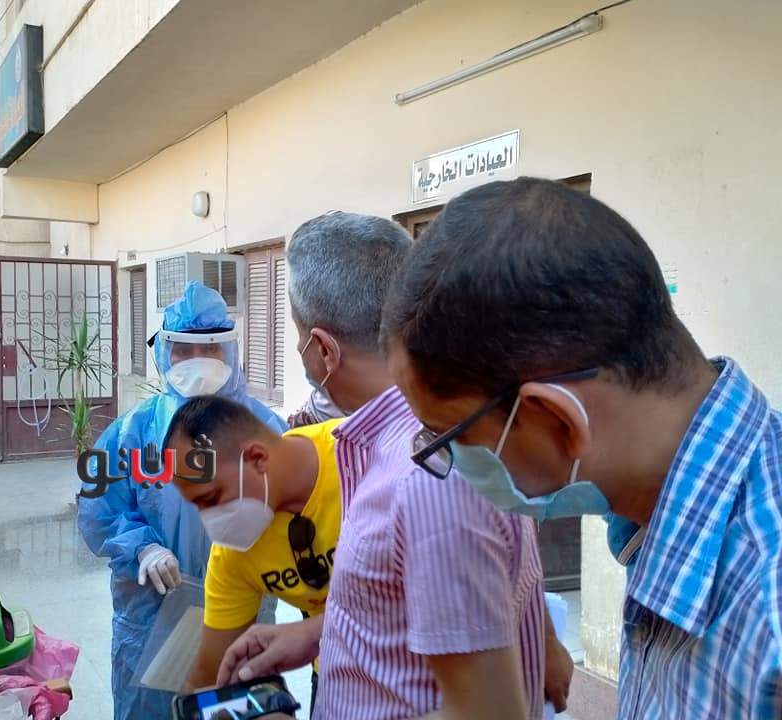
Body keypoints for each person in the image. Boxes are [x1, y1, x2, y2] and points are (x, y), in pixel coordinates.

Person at [382, 177, 782, 718]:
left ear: (557, 419)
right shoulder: (668, 520)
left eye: (451, 439)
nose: (453, 468)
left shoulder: (767, 613)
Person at [219, 212, 572, 719]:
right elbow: (436, 595)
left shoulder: (423, 475)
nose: (299, 353)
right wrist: (319, 633)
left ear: (323, 349)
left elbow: (484, 713)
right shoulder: (400, 443)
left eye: (297, 337)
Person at [78, 281, 287, 720]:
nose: (197, 361)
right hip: (152, 617)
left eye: (209, 350)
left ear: (229, 351)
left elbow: (294, 515)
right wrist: (142, 547)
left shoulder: (267, 429)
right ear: (163, 352)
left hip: (241, 615)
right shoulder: (133, 432)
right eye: (183, 351)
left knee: (237, 705)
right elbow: (99, 509)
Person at [164, 395, 343, 714]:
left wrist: (315, 631)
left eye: (212, 498)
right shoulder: (233, 553)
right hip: (337, 672)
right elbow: (212, 673)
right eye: (198, 506)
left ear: (258, 458)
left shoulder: (359, 459)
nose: (211, 521)